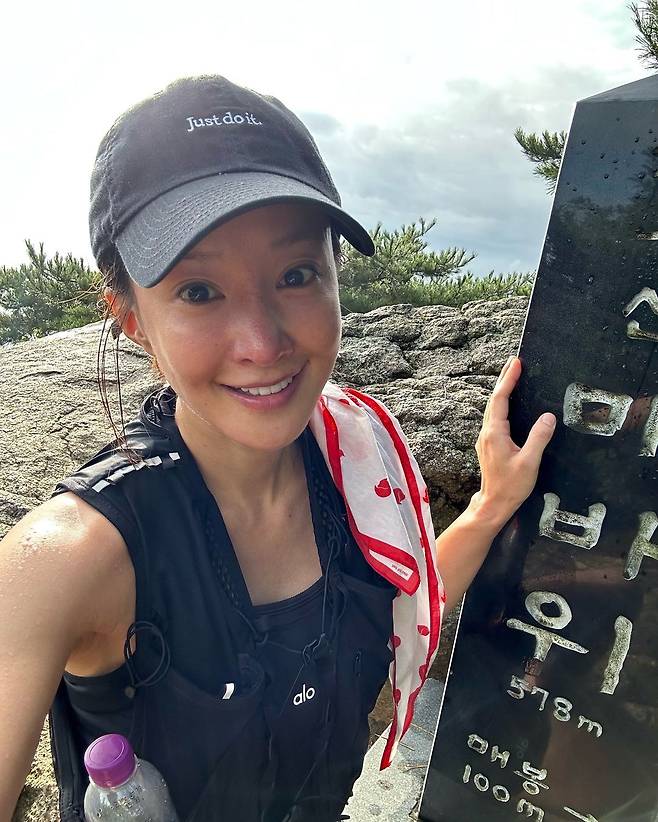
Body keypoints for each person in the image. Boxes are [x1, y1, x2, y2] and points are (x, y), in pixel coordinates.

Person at [0, 75, 556, 822]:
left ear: (335, 279)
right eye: (199, 291)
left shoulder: (354, 462)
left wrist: (490, 506)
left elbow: (409, 604)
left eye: (296, 275)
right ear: (130, 317)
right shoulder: (72, 556)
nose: (262, 344)